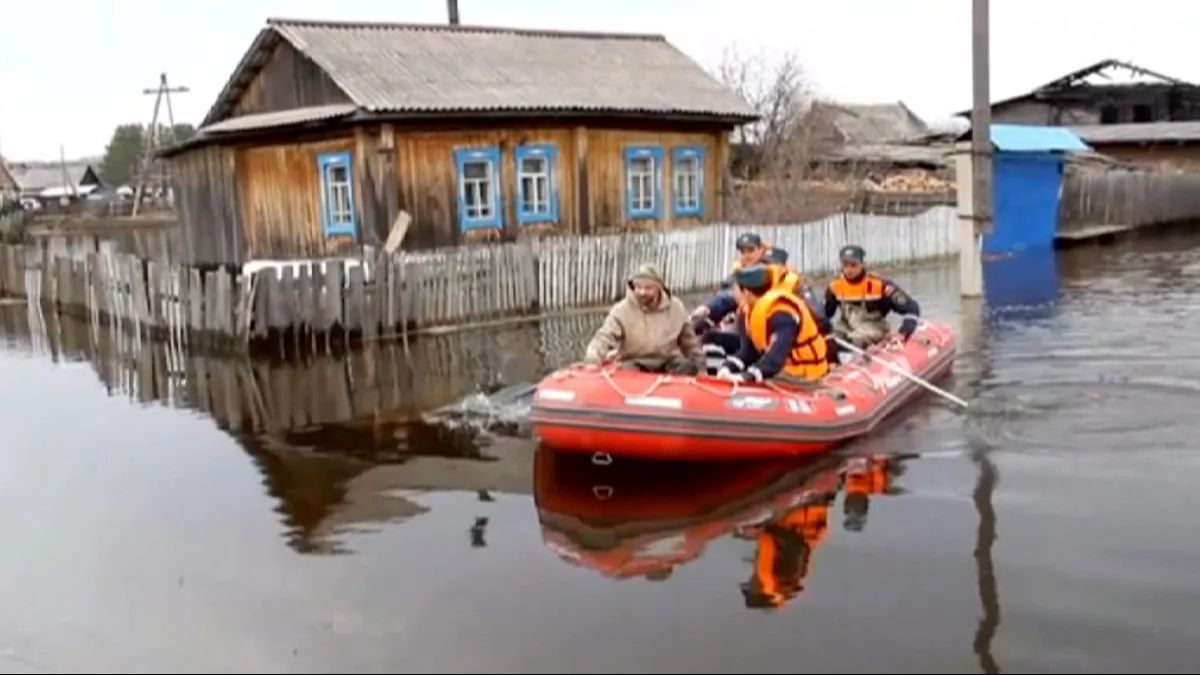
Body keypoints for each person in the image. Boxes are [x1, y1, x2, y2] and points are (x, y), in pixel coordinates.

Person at [716, 264, 830, 386]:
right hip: (781, 372)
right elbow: (748, 352)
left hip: (804, 375)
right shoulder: (747, 312)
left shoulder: (782, 313)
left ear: (746, 292)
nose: (732, 294)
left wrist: (746, 376)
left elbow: (775, 359)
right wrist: (727, 367)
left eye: (735, 290)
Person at [584, 263, 705, 374]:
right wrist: (594, 354)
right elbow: (605, 336)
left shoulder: (676, 308)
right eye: (638, 287)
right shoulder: (621, 310)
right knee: (625, 373)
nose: (642, 292)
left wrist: (701, 369)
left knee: (686, 366)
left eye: (648, 288)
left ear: (659, 287)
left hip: (668, 360)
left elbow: (690, 343)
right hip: (633, 361)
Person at [823, 244, 920, 351]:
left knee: (857, 341)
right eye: (845, 265)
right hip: (846, 327)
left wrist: (903, 332)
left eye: (853, 265)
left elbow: (912, 307)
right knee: (829, 342)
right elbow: (825, 314)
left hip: (873, 329)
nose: (849, 270)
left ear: (863, 264)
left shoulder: (880, 285)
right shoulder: (835, 286)